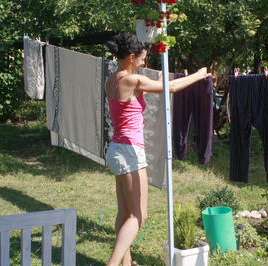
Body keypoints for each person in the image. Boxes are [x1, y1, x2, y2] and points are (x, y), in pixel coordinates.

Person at [105, 32, 211, 266]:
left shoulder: (112, 80)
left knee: (124, 213)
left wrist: (160, 81)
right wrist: (199, 75)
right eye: (142, 59)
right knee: (138, 216)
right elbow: (171, 89)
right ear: (131, 57)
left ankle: (126, 263)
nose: (144, 63)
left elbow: (140, 94)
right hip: (130, 151)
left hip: (116, 150)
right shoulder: (132, 80)